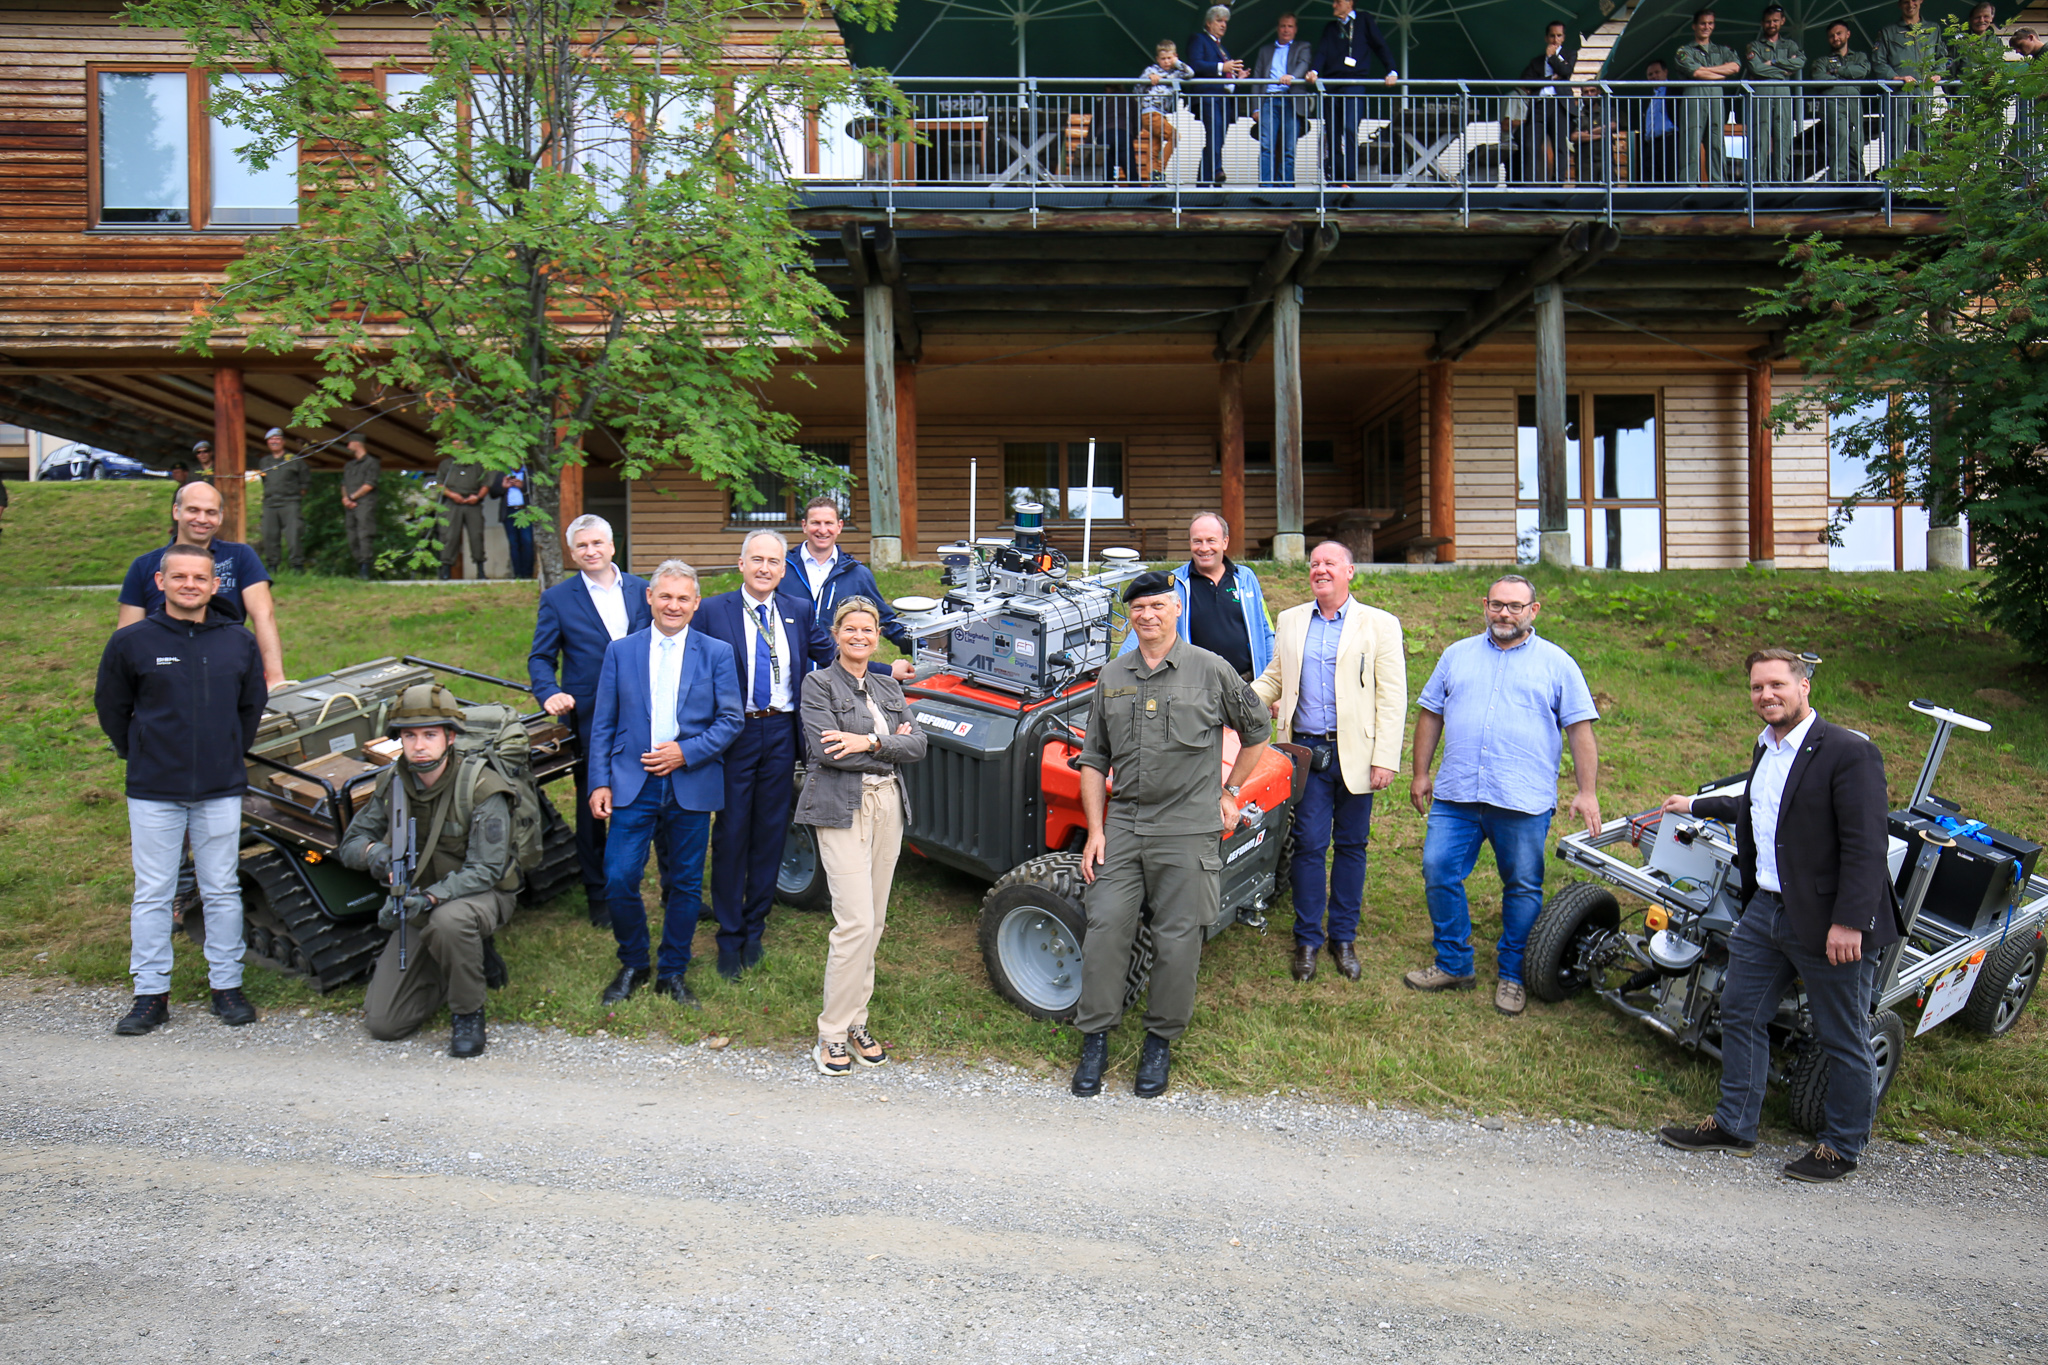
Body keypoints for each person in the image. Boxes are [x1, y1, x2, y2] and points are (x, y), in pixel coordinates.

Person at [1656, 649, 1898, 1183]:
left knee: (1841, 1036)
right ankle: (1734, 1125)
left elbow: (1866, 845)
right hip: (1766, 910)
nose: (1766, 695)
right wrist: (1695, 805)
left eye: (1777, 685)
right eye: (1757, 687)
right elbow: (1763, 805)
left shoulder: (1849, 752)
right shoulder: (1767, 747)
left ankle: (1841, 1146)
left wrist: (1850, 922)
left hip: (1829, 920)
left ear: (1804, 686)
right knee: (1740, 1012)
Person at [1069, 571, 1273, 1100]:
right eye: (1138, 608)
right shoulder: (1112, 675)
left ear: (1176, 608)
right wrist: (1095, 829)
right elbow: (1093, 758)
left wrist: (1231, 791)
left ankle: (1159, 1041)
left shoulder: (1211, 669)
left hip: (1188, 827)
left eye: (1158, 605)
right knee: (1105, 927)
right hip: (1125, 824)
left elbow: (1257, 730)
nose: (1148, 615)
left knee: (1178, 939)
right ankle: (1095, 1038)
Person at [1405, 575, 1601, 1017]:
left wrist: (1587, 792)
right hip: (1457, 794)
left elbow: (1579, 730)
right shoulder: (1456, 655)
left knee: (1522, 886)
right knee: (1438, 870)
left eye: (1515, 606)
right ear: (1485, 605)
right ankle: (1454, 963)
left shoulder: (1558, 663)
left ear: (1533, 610)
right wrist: (1420, 773)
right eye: (1497, 604)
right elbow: (1431, 714)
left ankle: (1514, 974)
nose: (1504, 614)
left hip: (1522, 800)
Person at [95, 543, 269, 1036]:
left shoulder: (238, 641)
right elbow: (111, 706)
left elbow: (251, 706)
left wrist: (228, 750)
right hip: (154, 787)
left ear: (214, 585)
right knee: (153, 891)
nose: (189, 585)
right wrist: (139, 750)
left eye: (199, 578)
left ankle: (227, 987)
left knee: (221, 889)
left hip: (220, 786)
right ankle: (150, 995)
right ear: (160, 582)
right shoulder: (131, 642)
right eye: (179, 577)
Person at [587, 560, 741, 1010]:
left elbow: (731, 719)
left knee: (687, 884)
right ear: (650, 597)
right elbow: (604, 723)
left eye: (683, 598)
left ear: (696, 603)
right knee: (619, 877)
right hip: (632, 781)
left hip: (691, 780)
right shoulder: (621, 651)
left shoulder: (716, 653)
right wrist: (599, 782)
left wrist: (685, 752)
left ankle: (673, 970)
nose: (674, 605)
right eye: (666, 596)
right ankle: (634, 961)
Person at [1251, 541, 1404, 983]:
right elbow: (1276, 677)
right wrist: (1241, 702)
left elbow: (1392, 697)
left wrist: (1385, 759)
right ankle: (1307, 940)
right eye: (1314, 563)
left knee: (1352, 846)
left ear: (1349, 571)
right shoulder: (1291, 619)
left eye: (1330, 563)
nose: (1320, 569)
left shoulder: (1380, 624)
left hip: (1358, 754)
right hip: (1306, 753)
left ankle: (1343, 938)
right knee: (1309, 844)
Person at [338, 684, 519, 1059]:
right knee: (385, 1024)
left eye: (430, 735)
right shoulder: (393, 783)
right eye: (410, 736)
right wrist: (378, 854)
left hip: (479, 895)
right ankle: (459, 959)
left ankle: (468, 1013)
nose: (419, 745)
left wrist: (432, 898)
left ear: (450, 737)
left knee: (449, 922)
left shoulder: (482, 786)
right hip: (418, 901)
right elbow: (351, 844)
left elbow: (486, 869)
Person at [794, 597, 929, 1075]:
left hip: (888, 804)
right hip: (841, 806)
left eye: (867, 630)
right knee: (853, 922)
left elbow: (919, 745)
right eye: (849, 629)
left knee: (873, 923)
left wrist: (869, 741)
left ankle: (857, 1022)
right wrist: (888, 746)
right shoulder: (817, 684)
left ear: (876, 638)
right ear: (836, 635)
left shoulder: (887, 685)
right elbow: (828, 752)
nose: (859, 636)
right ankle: (831, 1033)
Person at [693, 530, 834, 980]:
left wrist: (886, 670)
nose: (765, 568)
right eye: (757, 559)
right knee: (732, 832)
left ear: (782, 569)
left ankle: (755, 927)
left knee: (771, 831)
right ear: (741, 564)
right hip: (733, 733)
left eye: (774, 561)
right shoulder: (712, 611)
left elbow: (834, 655)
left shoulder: (797, 609)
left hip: (780, 733)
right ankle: (728, 934)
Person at [528, 514, 653, 928]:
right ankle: (599, 893)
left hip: (647, 711)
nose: (591, 551)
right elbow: (541, 657)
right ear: (572, 553)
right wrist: (549, 691)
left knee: (660, 797)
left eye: (597, 543)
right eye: (582, 545)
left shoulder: (642, 590)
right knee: (594, 804)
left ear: (612, 546)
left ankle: (672, 886)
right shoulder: (558, 599)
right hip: (590, 715)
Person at [117, 480, 286, 687]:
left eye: (211, 512)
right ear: (176, 511)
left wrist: (275, 678)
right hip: (163, 672)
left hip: (225, 668)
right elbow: (127, 632)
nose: (202, 519)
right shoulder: (144, 566)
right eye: (193, 510)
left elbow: (264, 616)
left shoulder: (240, 557)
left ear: (220, 517)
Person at [1117, 512, 1276, 682]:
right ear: (1190, 543)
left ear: (1225, 542)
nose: (1204, 548)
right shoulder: (1174, 583)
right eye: (1197, 541)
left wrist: (1272, 683)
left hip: (1246, 684)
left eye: (1211, 540)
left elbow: (1266, 632)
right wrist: (1116, 673)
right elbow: (1145, 628)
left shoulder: (1246, 578)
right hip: (1197, 688)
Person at [782, 495, 916, 662]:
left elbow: (885, 620)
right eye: (816, 523)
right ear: (804, 526)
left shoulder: (857, 574)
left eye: (829, 523)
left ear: (839, 526)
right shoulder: (782, 569)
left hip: (838, 670)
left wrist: (923, 647)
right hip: (790, 669)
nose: (822, 530)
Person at [1306, 0, 1400, 184]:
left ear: (1349, 2)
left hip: (1354, 83)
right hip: (1332, 85)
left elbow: (1379, 45)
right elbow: (1322, 52)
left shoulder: (1364, 20)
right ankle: (1336, 177)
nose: (1333, 5)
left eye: (1337, 1)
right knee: (1332, 132)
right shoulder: (1331, 28)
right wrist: (1314, 71)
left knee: (1350, 128)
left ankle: (1349, 177)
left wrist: (1392, 71)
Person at [1674, 9, 1741, 186]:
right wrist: (1720, 73)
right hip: (1694, 97)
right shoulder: (1684, 51)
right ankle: (1688, 184)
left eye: (1710, 23)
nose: (1706, 27)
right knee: (1691, 142)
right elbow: (1696, 72)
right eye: (1703, 23)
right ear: (1694, 26)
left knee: (1716, 142)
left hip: (1716, 98)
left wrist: (1706, 71)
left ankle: (1718, 184)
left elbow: (1735, 67)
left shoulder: (1722, 50)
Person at [1874, 0, 1949, 155]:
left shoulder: (1933, 29)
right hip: (1899, 92)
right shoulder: (1889, 31)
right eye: (1905, 1)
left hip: (1924, 91)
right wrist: (1895, 78)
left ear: (1921, 1)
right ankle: (1895, 171)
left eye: (1914, 0)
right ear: (1899, 4)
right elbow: (1878, 61)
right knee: (1897, 136)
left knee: (1923, 136)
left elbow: (1943, 57)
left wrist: (1938, 73)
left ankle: (1921, 170)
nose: (1910, 4)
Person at [1186, 6, 1247, 187]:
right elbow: (1195, 64)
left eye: (1225, 22)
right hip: (1208, 95)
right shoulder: (1199, 39)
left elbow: (1226, 78)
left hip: (1223, 98)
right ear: (1208, 23)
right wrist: (1222, 67)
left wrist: (1237, 79)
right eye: (1219, 21)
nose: (1223, 25)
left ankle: (1204, 184)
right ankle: (1217, 171)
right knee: (1215, 135)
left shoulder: (1223, 49)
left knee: (1217, 139)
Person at [1249, 12, 1312, 188]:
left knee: (1289, 148)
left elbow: (1304, 64)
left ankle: (1285, 189)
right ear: (1278, 28)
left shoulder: (1302, 47)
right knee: (1266, 146)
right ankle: (1266, 188)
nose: (1286, 30)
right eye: (1283, 26)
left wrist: (1292, 76)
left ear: (1295, 29)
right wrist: (1255, 108)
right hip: (1269, 101)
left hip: (1291, 101)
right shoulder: (1265, 50)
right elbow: (1257, 78)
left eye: (1290, 26)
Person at [1808, 22, 1876, 182]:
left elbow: (1862, 71)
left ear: (1848, 34)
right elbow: (1818, 78)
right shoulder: (1822, 61)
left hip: (1854, 103)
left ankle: (1857, 179)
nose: (1835, 38)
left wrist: (1836, 71)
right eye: (1831, 36)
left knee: (1856, 140)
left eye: (1839, 33)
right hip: (1833, 102)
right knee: (1839, 137)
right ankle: (1839, 179)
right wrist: (1847, 77)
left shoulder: (1859, 57)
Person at [1744, 5, 1804, 184]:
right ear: (1763, 23)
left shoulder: (1790, 45)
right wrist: (1783, 69)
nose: (1772, 24)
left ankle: (1781, 180)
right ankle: (1758, 180)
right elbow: (1755, 68)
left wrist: (1772, 62)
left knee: (1783, 136)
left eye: (1775, 21)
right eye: (1768, 21)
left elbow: (1800, 62)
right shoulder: (1754, 45)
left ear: (1782, 21)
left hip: (1783, 93)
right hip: (1761, 92)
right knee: (1760, 137)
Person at [1515, 22, 1576, 184]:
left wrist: (1552, 57)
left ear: (1563, 38)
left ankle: (1558, 183)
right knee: (1531, 145)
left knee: (1560, 146)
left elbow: (1566, 71)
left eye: (1559, 36)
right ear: (1546, 38)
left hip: (1559, 105)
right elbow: (1527, 82)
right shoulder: (1536, 61)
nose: (1555, 39)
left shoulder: (1569, 55)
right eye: (1552, 35)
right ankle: (1529, 184)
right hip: (1539, 105)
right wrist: (1550, 78)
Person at [250, 427, 308, 572]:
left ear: (283, 442)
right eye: (271, 439)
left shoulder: (294, 459)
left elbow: (305, 483)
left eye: (277, 439)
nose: (274, 442)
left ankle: (297, 567)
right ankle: (272, 567)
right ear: (267, 443)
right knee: (269, 535)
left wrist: (294, 496)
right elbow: (265, 481)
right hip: (270, 504)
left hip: (290, 502)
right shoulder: (264, 462)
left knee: (294, 535)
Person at [1136, 41, 1185, 181]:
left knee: (1154, 145)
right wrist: (1148, 79)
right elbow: (1137, 89)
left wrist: (1177, 62)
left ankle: (1153, 177)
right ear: (1157, 59)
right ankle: (1159, 170)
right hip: (1150, 112)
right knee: (1174, 136)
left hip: (1161, 114)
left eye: (1169, 58)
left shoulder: (1176, 73)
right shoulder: (1151, 70)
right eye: (1163, 59)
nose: (1166, 62)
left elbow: (1190, 72)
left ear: (1175, 57)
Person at [434, 452, 489, 579]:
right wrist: (452, 495)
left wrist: (478, 497)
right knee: (449, 535)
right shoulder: (446, 464)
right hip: (452, 502)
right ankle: (446, 570)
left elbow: (486, 484)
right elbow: (439, 485)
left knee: (476, 535)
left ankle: (480, 570)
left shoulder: (478, 464)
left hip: (473, 502)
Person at [339, 435, 380, 580]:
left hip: (365, 503)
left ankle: (365, 568)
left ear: (357, 443)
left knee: (364, 534)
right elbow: (344, 484)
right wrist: (345, 498)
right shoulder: (349, 465)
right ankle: (358, 564)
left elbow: (369, 484)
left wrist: (352, 497)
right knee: (352, 536)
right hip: (350, 504)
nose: (348, 446)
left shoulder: (371, 462)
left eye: (349, 443)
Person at [490, 468, 535, 581]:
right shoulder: (503, 472)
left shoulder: (529, 472)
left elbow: (538, 490)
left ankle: (527, 574)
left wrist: (523, 486)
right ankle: (517, 574)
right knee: (514, 544)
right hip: (509, 512)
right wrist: (503, 487)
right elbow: (493, 493)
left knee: (527, 542)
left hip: (525, 511)